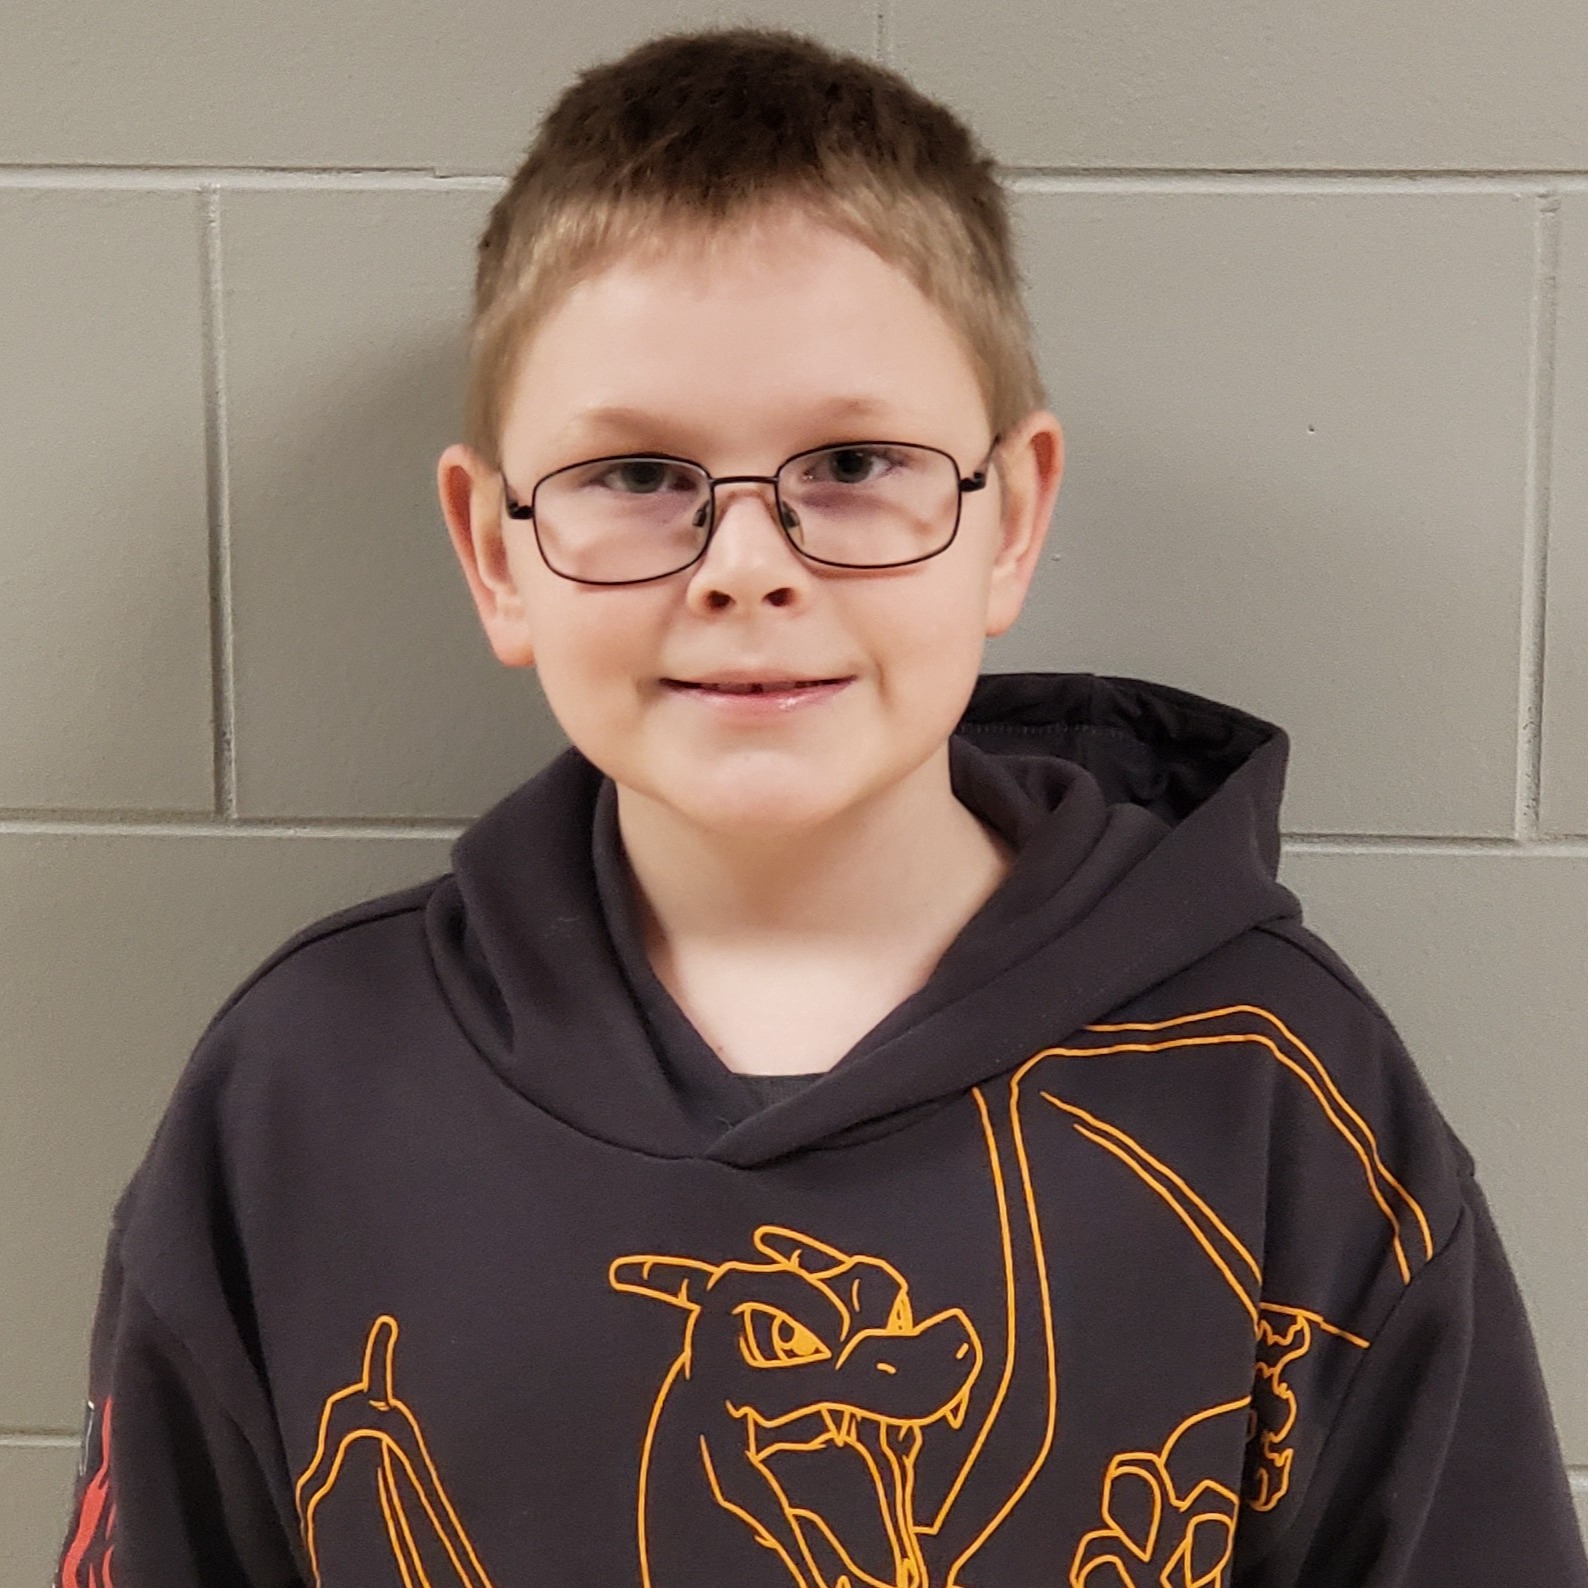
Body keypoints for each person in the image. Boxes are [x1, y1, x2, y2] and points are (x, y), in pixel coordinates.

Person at [58, 27, 1585, 1588]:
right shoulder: (301, 1092)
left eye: (854, 462)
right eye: (640, 474)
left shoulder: (1278, 1093)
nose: (745, 563)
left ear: (1013, 520)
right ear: (495, 551)